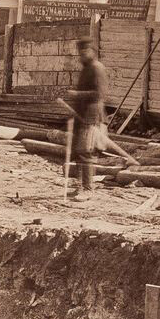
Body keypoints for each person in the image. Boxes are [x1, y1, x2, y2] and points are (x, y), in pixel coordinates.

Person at [65, 37, 110, 198]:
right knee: (79, 152)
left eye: (85, 51)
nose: (82, 54)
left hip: (93, 116)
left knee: (87, 152)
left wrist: (77, 94)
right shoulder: (86, 69)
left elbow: (100, 94)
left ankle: (88, 189)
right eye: (80, 51)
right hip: (81, 116)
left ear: (92, 51)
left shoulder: (97, 68)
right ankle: (80, 187)